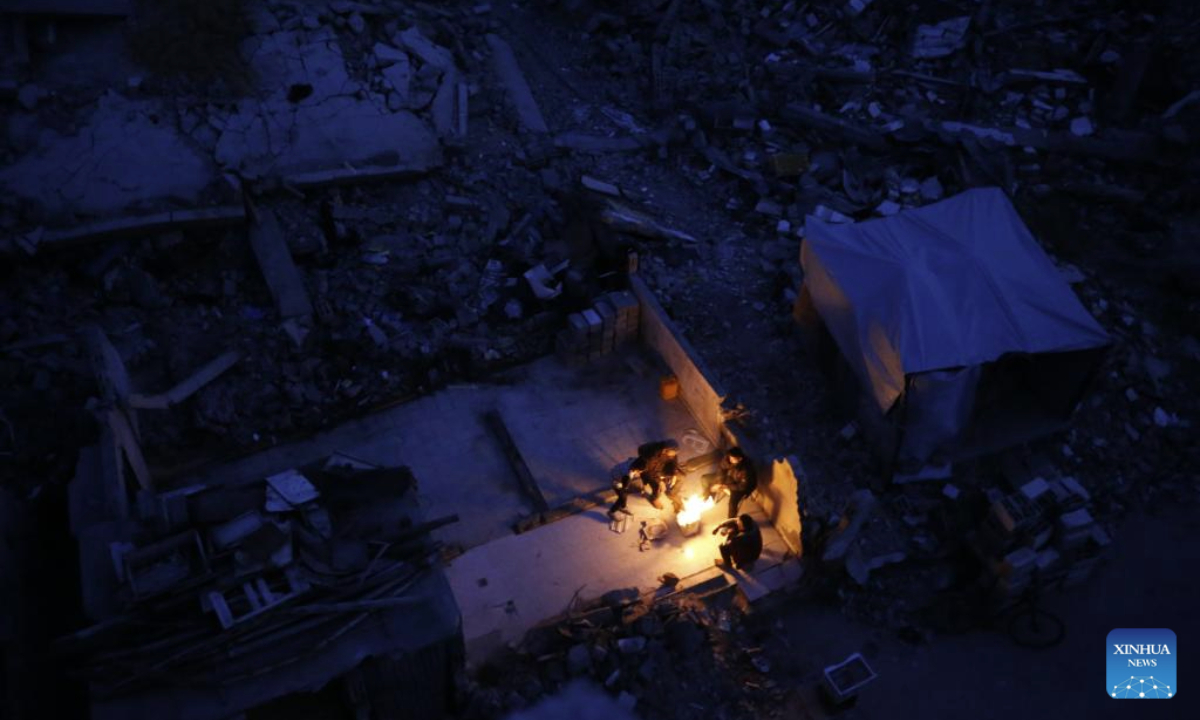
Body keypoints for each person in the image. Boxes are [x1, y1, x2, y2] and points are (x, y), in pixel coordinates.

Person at [704, 447, 757, 518]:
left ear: (740, 459)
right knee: (705, 479)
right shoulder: (728, 459)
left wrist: (726, 486)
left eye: (733, 459)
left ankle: (730, 521)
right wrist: (720, 482)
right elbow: (721, 468)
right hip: (730, 479)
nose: (730, 460)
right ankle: (710, 498)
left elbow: (743, 486)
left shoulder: (746, 469)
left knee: (732, 504)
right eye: (730, 458)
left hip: (741, 487)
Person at [632, 440, 682, 511]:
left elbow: (674, 461)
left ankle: (671, 493)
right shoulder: (652, 455)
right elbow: (650, 471)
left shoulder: (670, 453)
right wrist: (660, 481)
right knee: (658, 487)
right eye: (673, 452)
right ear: (665, 450)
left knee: (681, 476)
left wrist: (674, 473)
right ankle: (654, 499)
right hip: (647, 471)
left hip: (660, 468)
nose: (674, 454)